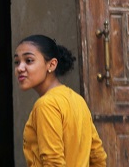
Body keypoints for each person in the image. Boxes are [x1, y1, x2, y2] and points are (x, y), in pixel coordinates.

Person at [14, 34, 107, 167]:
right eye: (17, 62)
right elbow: (98, 157)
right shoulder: (77, 100)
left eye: (29, 60)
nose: (20, 68)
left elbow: (53, 163)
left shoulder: (46, 105)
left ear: (51, 64)